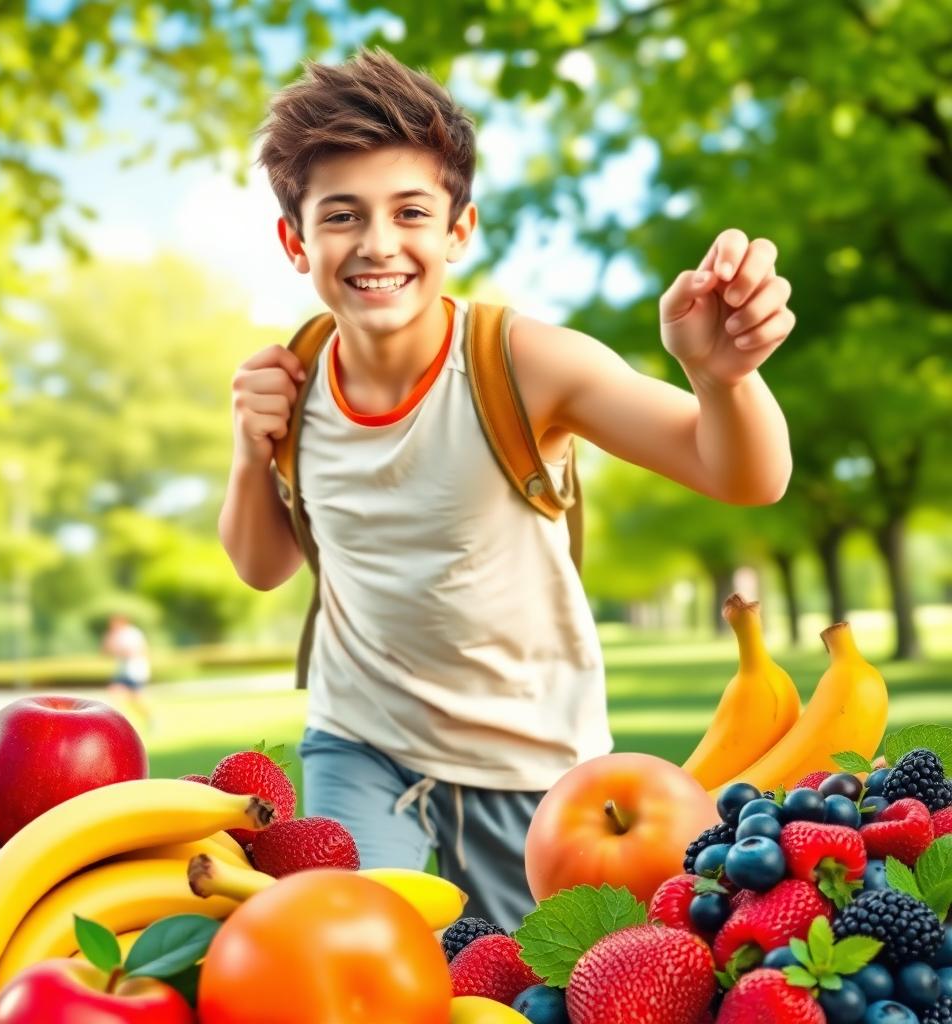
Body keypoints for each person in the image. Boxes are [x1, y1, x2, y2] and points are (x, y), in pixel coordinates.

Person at [219, 48, 795, 931]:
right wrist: (246, 449)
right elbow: (262, 565)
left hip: (531, 755)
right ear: (297, 241)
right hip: (358, 740)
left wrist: (719, 380)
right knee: (347, 953)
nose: (377, 243)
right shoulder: (294, 377)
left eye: (410, 211)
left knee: (535, 978)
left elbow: (744, 475)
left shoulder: (521, 365)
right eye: (342, 216)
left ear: (458, 229)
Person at [103, 614, 153, 730]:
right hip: (123, 672)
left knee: (136, 699)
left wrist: (119, 650)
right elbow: (106, 651)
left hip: (135, 671)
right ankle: (118, 723)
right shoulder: (116, 635)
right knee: (115, 694)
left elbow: (136, 651)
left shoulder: (132, 634)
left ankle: (149, 719)